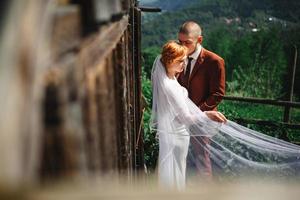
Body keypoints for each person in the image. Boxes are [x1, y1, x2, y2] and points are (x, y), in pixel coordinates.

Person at [151, 41, 300, 190]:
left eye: (184, 60)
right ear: (170, 61)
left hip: (177, 135)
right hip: (176, 137)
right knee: (173, 175)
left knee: (175, 172)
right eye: (180, 61)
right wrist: (207, 114)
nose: (184, 64)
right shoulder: (169, 86)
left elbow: (175, 114)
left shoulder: (170, 79)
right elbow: (187, 119)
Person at [177, 21, 225, 178]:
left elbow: (217, 93)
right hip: (180, 118)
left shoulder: (214, 61)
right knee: (181, 157)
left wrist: (198, 114)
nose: (183, 46)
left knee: (201, 161)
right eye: (180, 42)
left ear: (199, 40)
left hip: (202, 120)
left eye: (187, 42)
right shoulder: (179, 58)